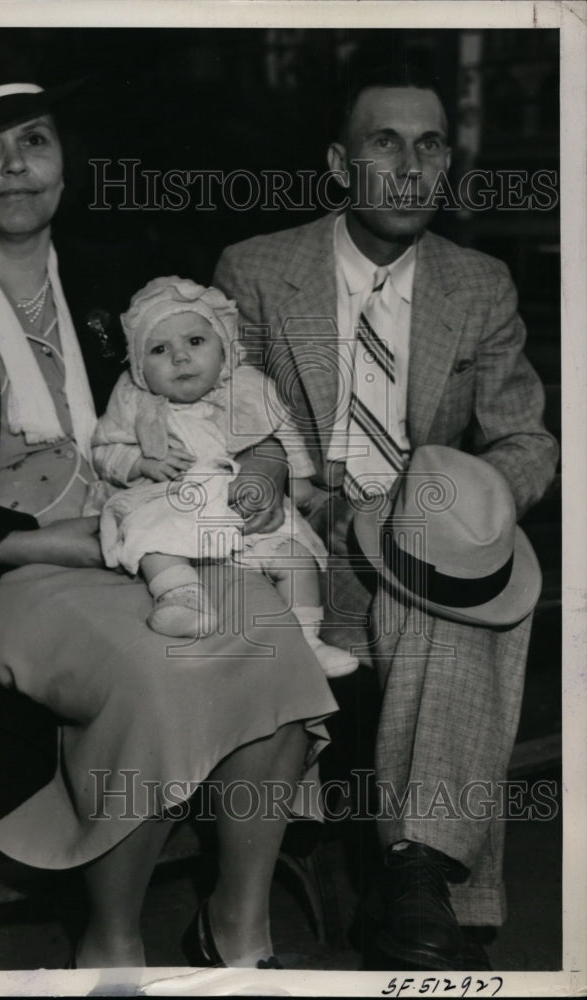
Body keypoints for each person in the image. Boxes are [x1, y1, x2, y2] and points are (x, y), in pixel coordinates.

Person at [0, 36, 340, 969]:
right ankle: (109, 951)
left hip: (152, 544)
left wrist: (265, 462)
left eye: (34, 138)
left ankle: (238, 924)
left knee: (270, 639)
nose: (15, 166)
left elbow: (226, 393)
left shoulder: (125, 279)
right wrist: (45, 545)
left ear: (64, 162)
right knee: (157, 669)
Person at [213, 59, 559, 970]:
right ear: (340, 164)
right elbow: (217, 431)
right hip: (290, 537)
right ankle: (428, 884)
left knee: (460, 572)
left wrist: (465, 508)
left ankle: (416, 871)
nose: (411, 167)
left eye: (432, 144)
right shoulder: (255, 271)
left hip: (411, 534)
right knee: (442, 584)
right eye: (385, 143)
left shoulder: (478, 285)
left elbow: (527, 440)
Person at [89, 274, 359, 678]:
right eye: (160, 349)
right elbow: (103, 449)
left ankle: (307, 641)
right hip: (174, 499)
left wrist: (295, 483)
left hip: (246, 510)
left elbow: (283, 437)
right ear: (139, 365)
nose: (180, 358)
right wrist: (139, 463)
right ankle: (182, 602)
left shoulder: (250, 388)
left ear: (225, 347)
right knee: (152, 539)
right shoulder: (133, 398)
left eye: (195, 342)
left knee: (296, 558)